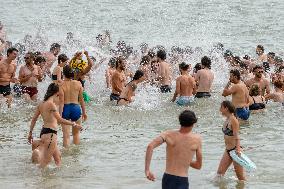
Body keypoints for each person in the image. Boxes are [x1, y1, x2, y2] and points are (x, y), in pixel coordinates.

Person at [28, 83, 82, 168]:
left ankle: (58, 179)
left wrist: (30, 133)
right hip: (51, 135)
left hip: (44, 132)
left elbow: (34, 119)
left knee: (58, 158)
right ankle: (39, 174)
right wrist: (74, 124)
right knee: (44, 164)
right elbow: (60, 120)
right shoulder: (51, 104)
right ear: (57, 92)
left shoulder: (41, 104)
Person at [145, 110, 202, 189]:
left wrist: (147, 170)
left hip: (168, 178)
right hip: (182, 180)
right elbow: (198, 166)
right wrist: (186, 160)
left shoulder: (168, 134)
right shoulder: (197, 140)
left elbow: (150, 146)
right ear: (193, 123)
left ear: (180, 121)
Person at [59, 65, 87, 148]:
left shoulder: (61, 85)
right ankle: (76, 157)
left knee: (66, 136)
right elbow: (81, 100)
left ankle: (66, 157)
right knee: (76, 134)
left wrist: (60, 116)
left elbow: (61, 102)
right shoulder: (78, 84)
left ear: (63, 74)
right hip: (76, 108)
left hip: (65, 108)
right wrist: (84, 112)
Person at [217, 101, 245, 181]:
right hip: (228, 150)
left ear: (226, 108)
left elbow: (237, 137)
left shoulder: (233, 120)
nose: (220, 110)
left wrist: (238, 149)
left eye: (221, 108)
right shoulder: (227, 119)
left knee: (241, 178)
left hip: (235, 150)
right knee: (219, 174)